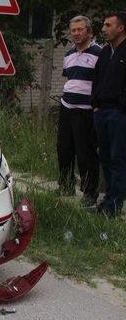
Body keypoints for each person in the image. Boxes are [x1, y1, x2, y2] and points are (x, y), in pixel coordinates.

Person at [57, 15, 101, 207]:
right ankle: (66, 184)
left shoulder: (100, 54)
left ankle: (90, 191)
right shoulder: (68, 55)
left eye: (80, 29)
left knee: (86, 153)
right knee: (64, 148)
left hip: (86, 110)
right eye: (73, 30)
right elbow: (71, 80)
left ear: (88, 31)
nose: (76, 33)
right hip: (66, 107)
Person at [91, 12, 126, 218]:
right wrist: (95, 105)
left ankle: (115, 203)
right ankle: (108, 198)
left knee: (118, 157)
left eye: (108, 25)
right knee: (104, 156)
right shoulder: (105, 52)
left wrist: (121, 106)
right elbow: (96, 80)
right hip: (101, 112)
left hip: (118, 113)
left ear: (120, 28)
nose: (104, 29)